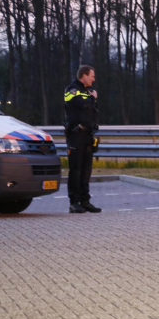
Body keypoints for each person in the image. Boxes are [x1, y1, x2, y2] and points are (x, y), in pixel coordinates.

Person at [64, 65, 101, 213]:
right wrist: (92, 98)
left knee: (86, 169)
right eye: (92, 76)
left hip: (87, 135)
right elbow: (81, 105)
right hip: (76, 135)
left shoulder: (88, 91)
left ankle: (85, 201)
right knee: (76, 169)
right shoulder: (71, 90)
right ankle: (74, 202)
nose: (94, 79)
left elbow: (92, 111)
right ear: (84, 76)